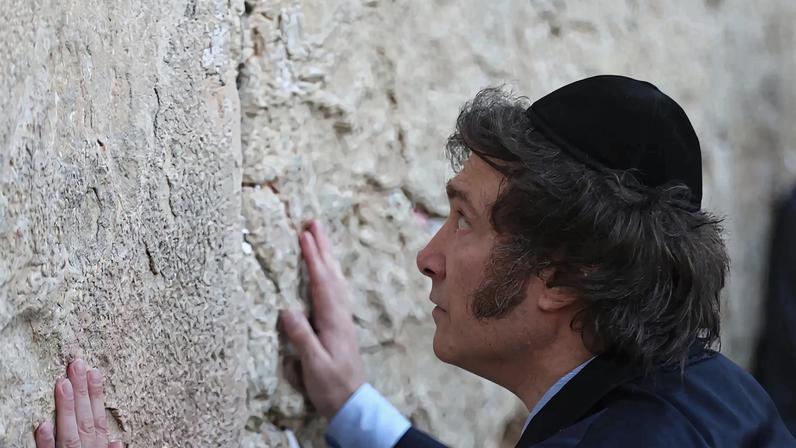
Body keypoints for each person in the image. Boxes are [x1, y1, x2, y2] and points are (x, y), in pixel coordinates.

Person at [33, 76, 796, 447]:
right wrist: (351, 404)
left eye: (463, 221)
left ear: (564, 275)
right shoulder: (707, 394)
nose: (427, 257)